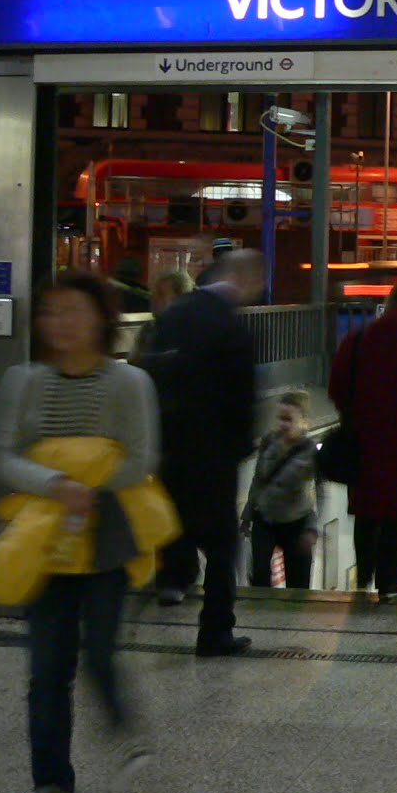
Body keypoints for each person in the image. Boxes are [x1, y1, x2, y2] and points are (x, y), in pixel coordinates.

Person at [0, 272, 159, 793]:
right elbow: (3, 454)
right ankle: (51, 787)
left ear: (101, 319)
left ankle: (125, 728)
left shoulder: (130, 384)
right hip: (44, 536)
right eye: (51, 311)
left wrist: (90, 483)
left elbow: (141, 457)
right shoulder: (23, 380)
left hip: (107, 532)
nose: (61, 322)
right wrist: (57, 485)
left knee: (101, 652)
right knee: (47, 668)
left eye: (73, 311)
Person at [143, 248, 263, 656]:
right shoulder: (233, 328)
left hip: (171, 448)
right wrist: (241, 447)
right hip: (214, 456)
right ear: (245, 279)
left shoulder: (176, 314)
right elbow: (243, 397)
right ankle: (215, 631)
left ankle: (171, 582)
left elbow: (155, 373)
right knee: (222, 546)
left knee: (173, 524)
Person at [329, 280, 397, 604]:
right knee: (395, 520)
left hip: (361, 445)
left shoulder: (357, 340)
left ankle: (363, 577)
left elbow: (336, 388)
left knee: (366, 513)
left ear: (389, 304)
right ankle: (390, 586)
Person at [241, 392, 318, 590]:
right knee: (259, 576)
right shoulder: (269, 442)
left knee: (298, 583)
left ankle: (292, 620)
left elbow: (320, 490)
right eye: (280, 418)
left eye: (289, 419)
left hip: (296, 523)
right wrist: (247, 515)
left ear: (303, 421)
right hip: (265, 518)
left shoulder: (310, 451)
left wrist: (312, 529)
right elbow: (258, 480)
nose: (283, 424)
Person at [130, 269, 194, 361]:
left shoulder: (191, 332)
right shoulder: (148, 330)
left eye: (160, 294)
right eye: (153, 293)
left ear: (179, 298)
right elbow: (134, 361)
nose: (153, 298)